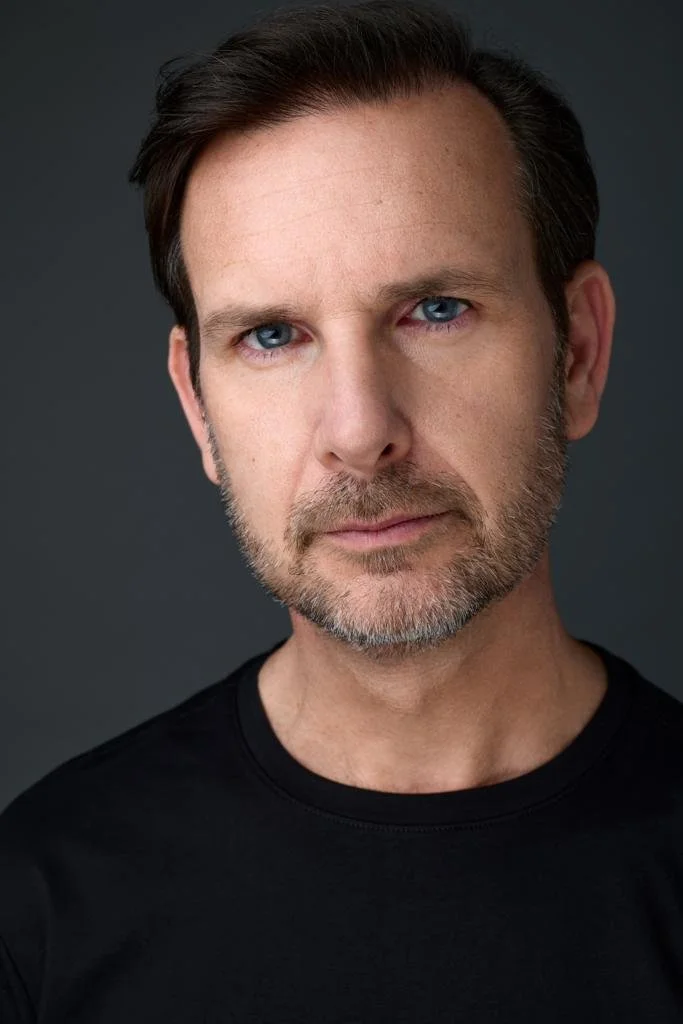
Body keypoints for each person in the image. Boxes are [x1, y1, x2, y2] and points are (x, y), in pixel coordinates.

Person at [1, 0, 682, 1020]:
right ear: (197, 406)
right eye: (272, 337)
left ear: (576, 353)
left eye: (435, 310)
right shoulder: (41, 903)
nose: (360, 433)